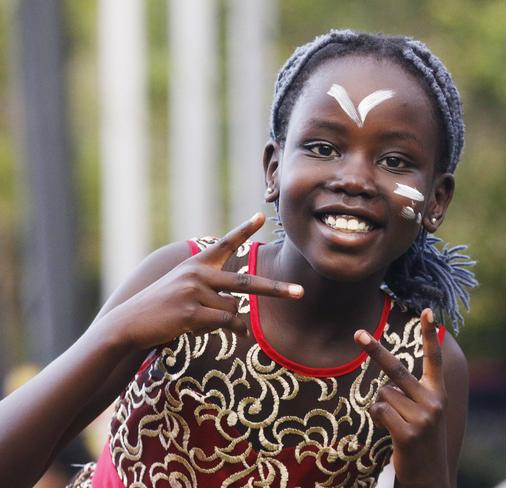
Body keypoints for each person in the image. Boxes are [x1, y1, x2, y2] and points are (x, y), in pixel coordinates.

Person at [0, 30, 476, 487]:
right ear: (273, 169)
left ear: (436, 200)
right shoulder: (188, 277)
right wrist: (119, 332)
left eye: (395, 161)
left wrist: (426, 474)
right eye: (322, 148)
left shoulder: (426, 364)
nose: (354, 179)